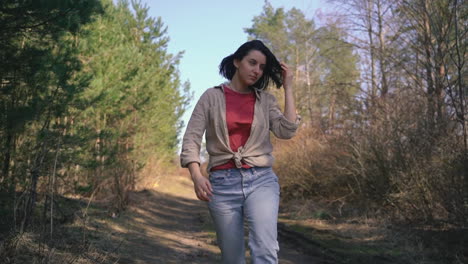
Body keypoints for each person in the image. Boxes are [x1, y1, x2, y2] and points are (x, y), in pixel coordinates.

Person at [180, 39, 299, 264]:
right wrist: (196, 176)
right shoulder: (211, 96)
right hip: (222, 185)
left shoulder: (265, 100)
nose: (257, 71)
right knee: (232, 257)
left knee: (265, 250)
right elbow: (191, 138)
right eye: (252, 63)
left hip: (261, 180)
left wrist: (289, 87)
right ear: (237, 61)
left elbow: (287, 130)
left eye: (262, 67)